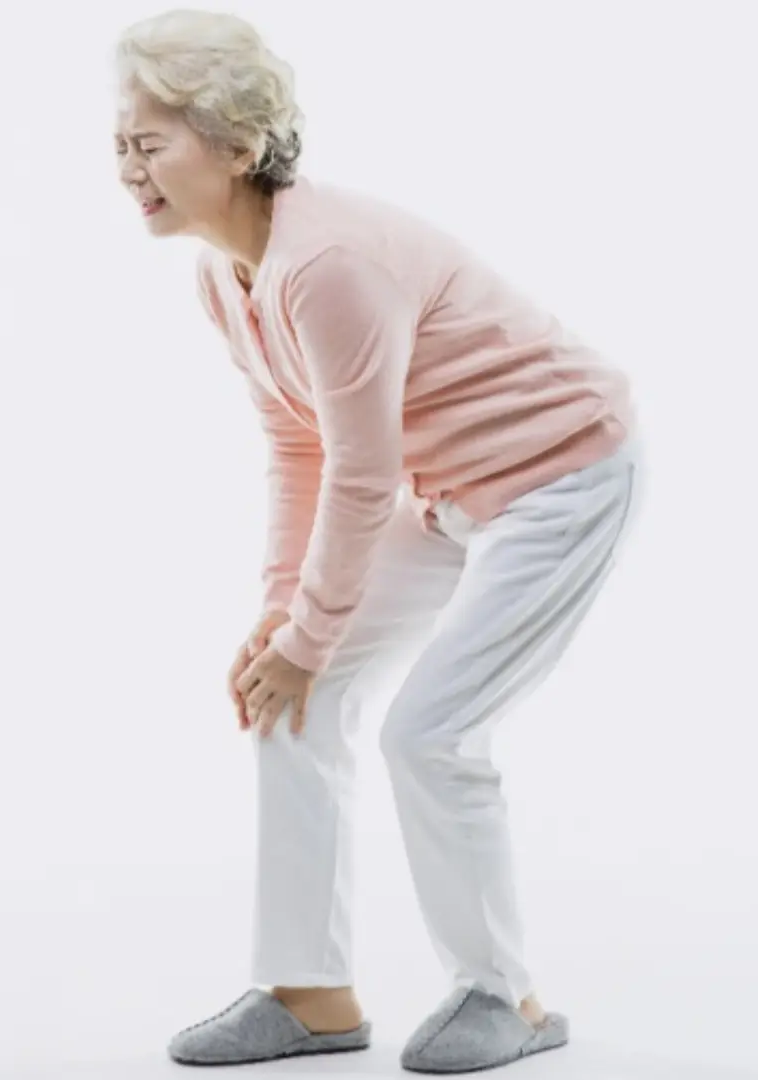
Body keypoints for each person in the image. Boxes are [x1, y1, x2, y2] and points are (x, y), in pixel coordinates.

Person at [113, 9, 643, 1074]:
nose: (128, 169)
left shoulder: (329, 265)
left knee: (429, 734)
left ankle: (507, 997)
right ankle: (309, 993)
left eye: (151, 144)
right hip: (448, 491)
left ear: (237, 145)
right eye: (121, 144)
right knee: (285, 695)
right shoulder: (226, 276)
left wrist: (310, 632)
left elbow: (361, 474)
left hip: (560, 476)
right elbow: (299, 444)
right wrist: (285, 615)